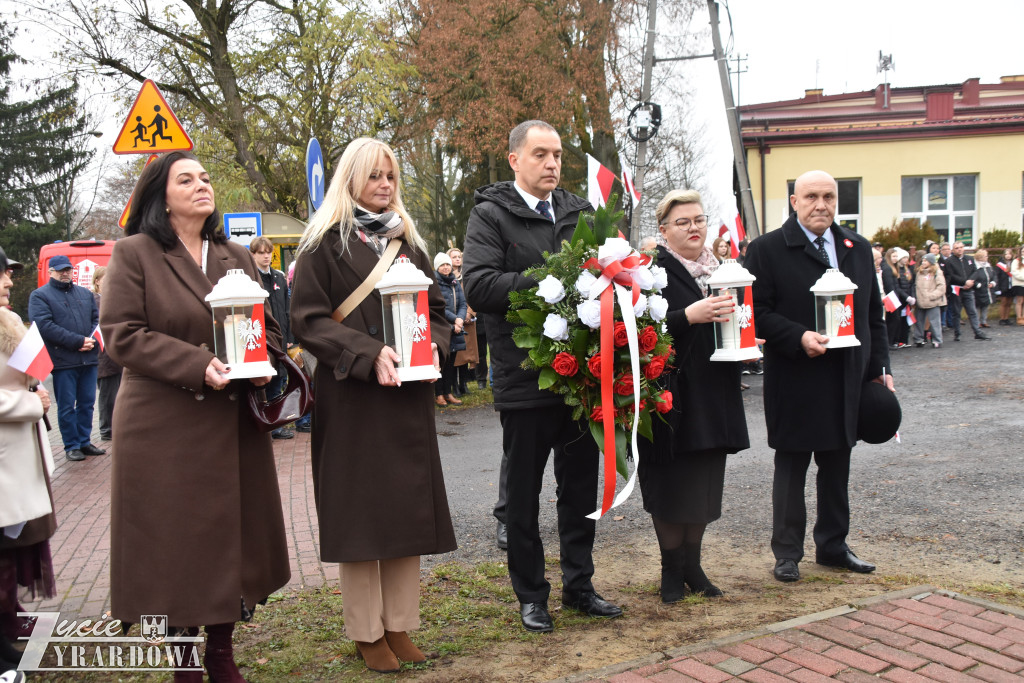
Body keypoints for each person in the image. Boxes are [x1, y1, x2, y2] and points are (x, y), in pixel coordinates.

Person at [101, 151, 290, 682]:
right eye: (186, 179)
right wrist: (196, 364)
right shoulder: (135, 253)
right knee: (175, 547)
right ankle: (183, 661)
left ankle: (221, 654)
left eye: (205, 177)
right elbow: (122, 334)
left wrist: (263, 362)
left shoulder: (234, 254)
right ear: (160, 196)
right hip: (163, 426)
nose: (202, 185)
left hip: (232, 424)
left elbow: (269, 327)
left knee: (230, 542)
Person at [290, 137, 456, 674]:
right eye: (374, 175)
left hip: (406, 397)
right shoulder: (321, 244)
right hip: (353, 398)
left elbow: (435, 310)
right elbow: (308, 321)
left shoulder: (409, 242)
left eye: (391, 176)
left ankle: (399, 624)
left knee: (405, 510)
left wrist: (432, 347)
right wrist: (368, 353)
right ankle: (366, 631)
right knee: (362, 518)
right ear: (351, 179)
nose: (385, 185)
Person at [463, 119, 622, 633]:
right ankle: (532, 595)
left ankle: (580, 585)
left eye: (556, 155)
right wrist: (551, 280)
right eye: (540, 154)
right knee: (523, 498)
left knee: (579, 492)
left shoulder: (581, 213)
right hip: (525, 377)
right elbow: (479, 286)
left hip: (580, 379)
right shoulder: (490, 215)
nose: (552, 163)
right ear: (515, 160)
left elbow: (608, 274)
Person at [744, 170, 892, 584]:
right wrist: (798, 336)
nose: (821, 205)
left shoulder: (857, 247)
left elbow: (872, 315)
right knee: (792, 465)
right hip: (795, 376)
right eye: (811, 197)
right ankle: (787, 552)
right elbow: (754, 311)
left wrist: (880, 371)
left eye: (829, 196)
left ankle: (833, 546)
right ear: (794, 202)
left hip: (847, 376)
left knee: (837, 464)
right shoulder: (767, 249)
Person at [639, 189, 749, 602]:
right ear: (664, 230)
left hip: (714, 392)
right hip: (669, 396)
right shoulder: (649, 270)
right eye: (682, 222)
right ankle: (671, 570)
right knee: (670, 486)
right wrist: (688, 315)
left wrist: (747, 338)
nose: (693, 228)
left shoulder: (722, 270)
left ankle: (693, 566)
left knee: (703, 483)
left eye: (699, 220)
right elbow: (636, 330)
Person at [0, 246, 56, 677]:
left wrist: (36, 383)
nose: (8, 281)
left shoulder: (10, 320)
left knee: (12, 550)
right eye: (1, 274)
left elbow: (28, 374)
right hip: (5, 463)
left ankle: (6, 627)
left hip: (20, 458)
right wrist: (29, 403)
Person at [27, 254, 104, 462]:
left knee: (87, 403)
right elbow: (44, 326)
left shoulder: (85, 294)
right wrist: (78, 341)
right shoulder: (40, 296)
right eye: (60, 270)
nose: (65, 273)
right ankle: (72, 445)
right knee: (67, 406)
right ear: (50, 272)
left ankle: (84, 441)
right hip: (63, 361)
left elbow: (96, 320)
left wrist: (91, 340)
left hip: (88, 358)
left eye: (68, 269)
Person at [249, 235, 295, 439]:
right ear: (253, 255)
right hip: (261, 339)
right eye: (261, 253)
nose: (266, 256)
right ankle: (264, 424)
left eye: (269, 252)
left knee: (279, 381)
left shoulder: (278, 277)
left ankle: (275, 424)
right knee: (263, 384)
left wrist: (289, 336)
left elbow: (287, 309)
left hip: (281, 338)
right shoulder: (251, 280)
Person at [91, 266, 121, 441]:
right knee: (107, 394)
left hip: (114, 355)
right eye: (105, 278)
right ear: (97, 281)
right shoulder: (94, 300)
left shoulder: (113, 298)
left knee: (115, 392)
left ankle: (112, 426)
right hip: (103, 355)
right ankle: (106, 428)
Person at [434, 251, 465, 407]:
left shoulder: (455, 282)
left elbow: (463, 304)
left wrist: (460, 320)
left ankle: (448, 392)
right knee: (440, 361)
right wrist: (455, 320)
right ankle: (438, 394)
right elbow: (437, 306)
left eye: (448, 264)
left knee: (450, 363)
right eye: (442, 265)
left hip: (455, 327)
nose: (446, 267)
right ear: (437, 267)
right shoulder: (434, 283)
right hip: (441, 327)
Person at [447, 247, 478, 396]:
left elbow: (474, 294)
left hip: (468, 321)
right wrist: (457, 317)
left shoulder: (467, 275)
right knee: (456, 355)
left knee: (466, 354)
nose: (458, 259)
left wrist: (470, 313)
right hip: (454, 320)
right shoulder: (446, 277)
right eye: (454, 257)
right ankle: (454, 386)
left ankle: (463, 384)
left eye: (459, 256)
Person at [947, 242, 988, 341]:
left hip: (969, 289)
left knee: (972, 311)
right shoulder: (949, 261)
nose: (959, 249)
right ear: (953, 250)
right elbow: (951, 276)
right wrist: (964, 282)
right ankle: (957, 333)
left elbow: (975, 271)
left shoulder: (969, 258)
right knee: (956, 312)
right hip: (957, 290)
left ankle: (977, 332)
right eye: (957, 248)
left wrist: (970, 281)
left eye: (961, 247)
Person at [881, 247, 913, 349]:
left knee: (894, 320)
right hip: (891, 298)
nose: (895, 258)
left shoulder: (893, 268)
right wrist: (895, 298)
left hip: (894, 297)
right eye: (893, 256)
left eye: (896, 256)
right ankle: (889, 342)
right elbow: (889, 286)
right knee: (893, 320)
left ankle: (891, 342)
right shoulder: (888, 268)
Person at [912, 253, 945, 348]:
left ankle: (937, 340)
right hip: (920, 300)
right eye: (923, 260)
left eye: (925, 261)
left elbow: (941, 287)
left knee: (935, 322)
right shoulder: (919, 272)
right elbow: (915, 285)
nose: (923, 262)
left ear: (931, 262)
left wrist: (932, 296)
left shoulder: (937, 272)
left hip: (932, 301)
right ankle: (918, 339)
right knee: (918, 321)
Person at [970, 249, 995, 328]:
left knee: (985, 306)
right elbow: (971, 277)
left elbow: (994, 275)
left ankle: (984, 321)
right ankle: (976, 322)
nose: (987, 257)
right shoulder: (975, 266)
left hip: (987, 290)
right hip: (978, 290)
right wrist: (977, 284)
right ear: (980, 258)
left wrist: (992, 283)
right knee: (977, 306)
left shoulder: (988, 266)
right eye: (985, 256)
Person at [995, 248, 1015, 325]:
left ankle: (1006, 318)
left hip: (1011, 286)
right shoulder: (1000, 265)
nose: (1008, 255)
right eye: (1006, 254)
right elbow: (997, 277)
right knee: (1004, 302)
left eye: (1009, 254)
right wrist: (997, 288)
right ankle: (1002, 319)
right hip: (1003, 286)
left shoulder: (1014, 263)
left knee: (1009, 303)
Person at [1010, 249, 1024, 325]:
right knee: (1019, 301)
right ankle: (1019, 317)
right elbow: (1015, 272)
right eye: (1023, 251)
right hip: (1019, 284)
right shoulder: (1016, 261)